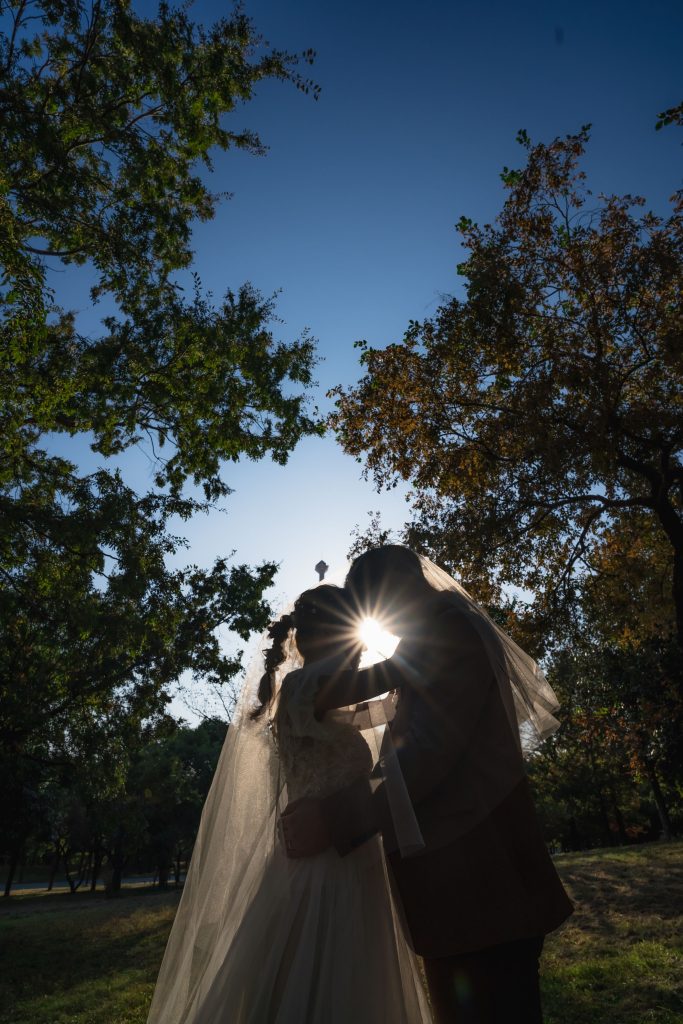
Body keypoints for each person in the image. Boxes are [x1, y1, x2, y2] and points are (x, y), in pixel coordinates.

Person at [281, 546, 574, 1024]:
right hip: (465, 885)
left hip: (480, 878)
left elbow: (428, 754)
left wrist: (333, 819)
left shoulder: (446, 630)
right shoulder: (425, 639)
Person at [146, 582, 432, 1024]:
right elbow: (390, 674)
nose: (358, 649)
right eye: (352, 635)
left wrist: (402, 709)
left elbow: (372, 711)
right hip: (327, 864)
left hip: (343, 852)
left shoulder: (314, 695)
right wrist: (428, 640)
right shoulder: (306, 686)